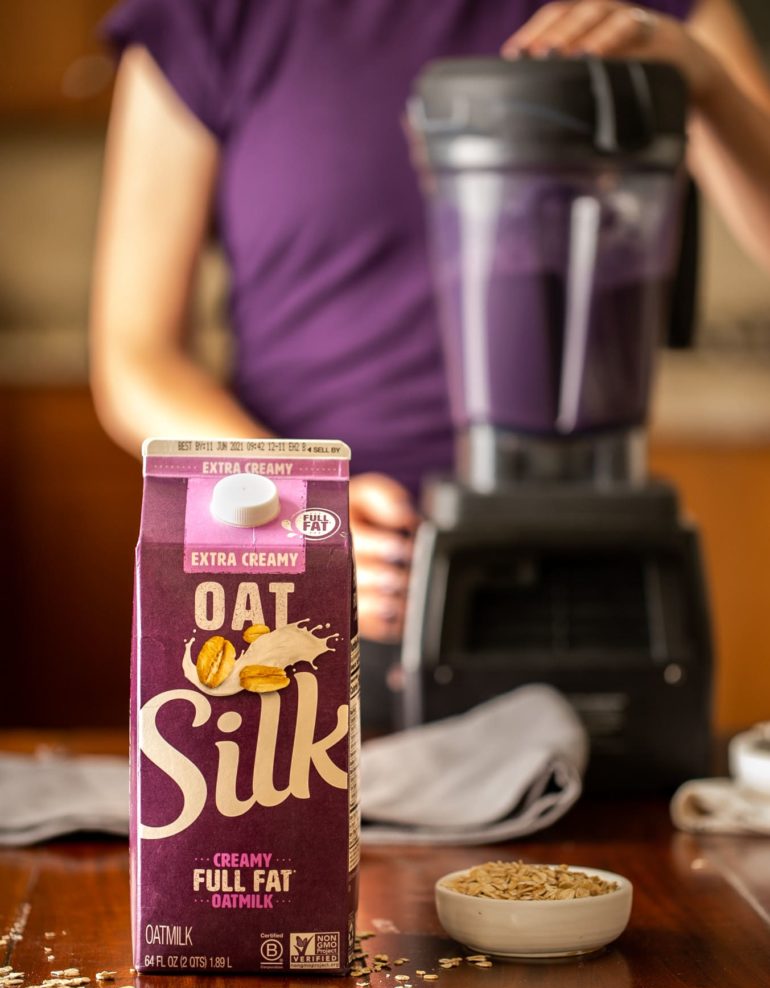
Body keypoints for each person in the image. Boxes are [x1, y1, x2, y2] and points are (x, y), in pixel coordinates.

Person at [91, 0, 770, 721]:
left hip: (583, 586)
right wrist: (303, 501)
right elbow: (136, 358)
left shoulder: (647, 12)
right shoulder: (213, 17)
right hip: (323, 599)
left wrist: (708, 85)